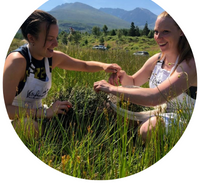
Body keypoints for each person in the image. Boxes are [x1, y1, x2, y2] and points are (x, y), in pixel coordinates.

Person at [3, 10, 121, 138]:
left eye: (56, 38)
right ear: (31, 38)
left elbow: (84, 65)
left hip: (41, 115)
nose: (56, 44)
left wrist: (104, 66)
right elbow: (5, 109)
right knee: (29, 126)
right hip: (17, 120)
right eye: (50, 39)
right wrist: (44, 112)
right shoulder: (17, 61)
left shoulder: (51, 57)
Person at [94, 11, 197, 142]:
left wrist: (110, 88)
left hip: (186, 119)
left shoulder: (190, 64)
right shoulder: (157, 59)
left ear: (182, 31)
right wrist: (123, 76)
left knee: (148, 128)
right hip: (158, 114)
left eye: (166, 32)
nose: (158, 37)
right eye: (156, 32)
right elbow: (134, 82)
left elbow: (156, 97)